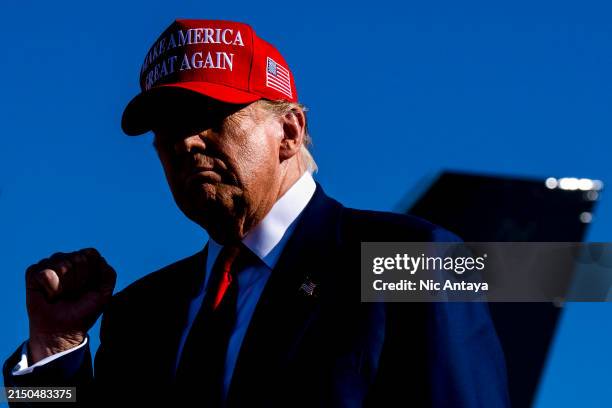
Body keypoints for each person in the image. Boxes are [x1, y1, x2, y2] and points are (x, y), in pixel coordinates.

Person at [3, 19, 509, 407]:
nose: (184, 142)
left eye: (207, 116)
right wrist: (54, 348)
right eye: (165, 130)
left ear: (289, 131)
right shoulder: (139, 316)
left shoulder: (413, 259)